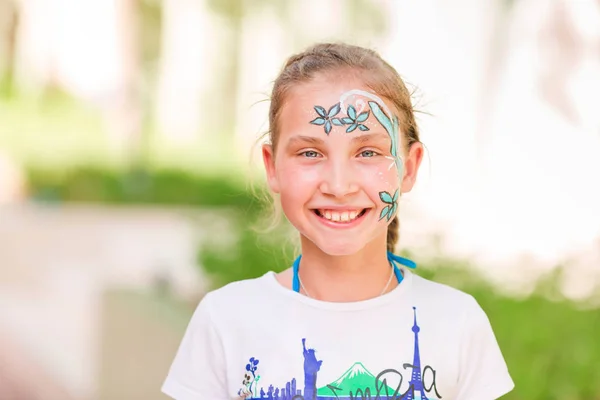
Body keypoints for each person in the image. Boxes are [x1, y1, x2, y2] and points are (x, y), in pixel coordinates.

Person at [161, 42, 514, 400]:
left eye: (368, 152)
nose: (339, 185)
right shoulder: (226, 319)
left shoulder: (457, 322)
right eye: (310, 153)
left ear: (408, 167)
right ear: (272, 167)